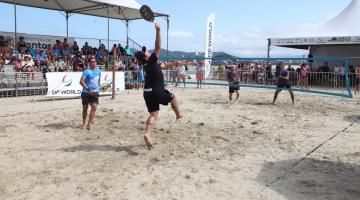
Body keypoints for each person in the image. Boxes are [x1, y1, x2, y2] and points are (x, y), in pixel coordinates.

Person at [134, 23, 184, 150]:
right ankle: (178, 114)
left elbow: (164, 66)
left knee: (153, 114)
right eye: (147, 53)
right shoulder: (150, 61)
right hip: (156, 91)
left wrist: (175, 63)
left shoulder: (149, 64)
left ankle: (147, 134)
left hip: (147, 93)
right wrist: (158, 30)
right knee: (172, 97)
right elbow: (158, 46)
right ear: (146, 57)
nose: (149, 53)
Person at [79, 57, 101, 130]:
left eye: (94, 61)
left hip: (94, 93)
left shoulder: (98, 71)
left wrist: (98, 88)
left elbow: (98, 81)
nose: (93, 63)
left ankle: (89, 124)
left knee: (94, 107)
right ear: (89, 63)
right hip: (86, 92)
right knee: (85, 109)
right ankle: (84, 123)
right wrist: (88, 89)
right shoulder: (86, 71)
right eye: (91, 62)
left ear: (96, 63)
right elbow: (81, 81)